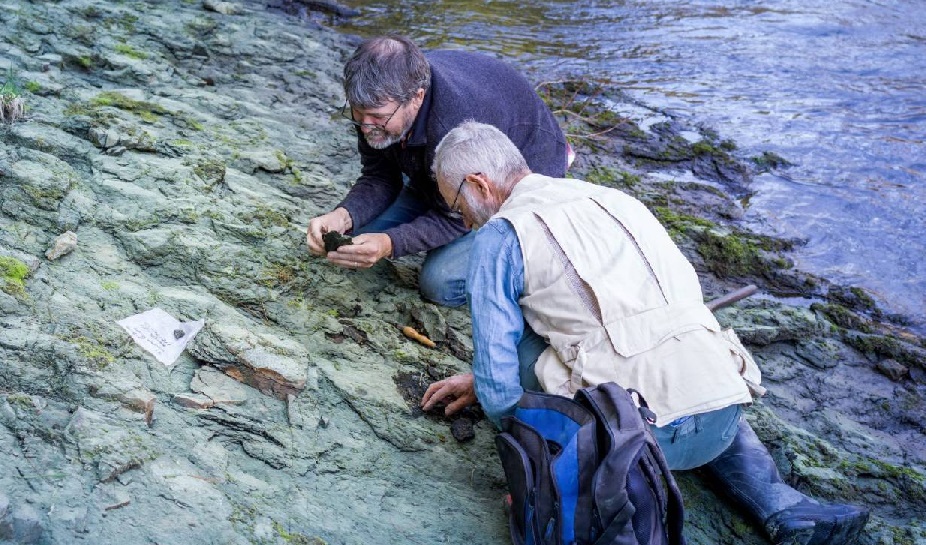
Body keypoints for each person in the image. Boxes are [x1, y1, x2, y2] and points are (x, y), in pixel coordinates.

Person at [420, 121, 869, 545]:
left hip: (633, 440)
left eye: (458, 207)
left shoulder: (501, 236)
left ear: (479, 185)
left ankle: (567, 468)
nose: (463, 223)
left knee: (524, 334)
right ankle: (782, 505)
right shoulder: (614, 198)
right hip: (724, 413)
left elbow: (499, 386)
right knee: (683, 351)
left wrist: (525, 469)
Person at [305, 35, 569, 307]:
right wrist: (343, 216)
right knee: (353, 243)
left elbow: (456, 216)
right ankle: (429, 193)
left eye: (377, 117)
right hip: (440, 176)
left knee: (440, 282)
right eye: (358, 115)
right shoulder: (376, 105)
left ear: (417, 97)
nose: (365, 126)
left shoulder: (455, 125)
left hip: (506, 189)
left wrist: (389, 243)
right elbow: (379, 176)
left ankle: (522, 264)